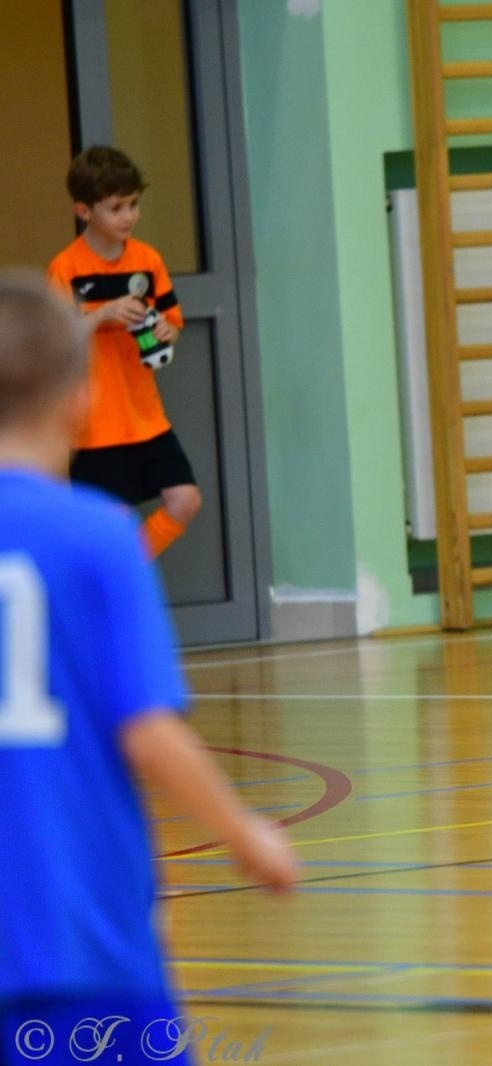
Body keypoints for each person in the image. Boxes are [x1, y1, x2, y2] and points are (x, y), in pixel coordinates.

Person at [0, 271, 299, 1061]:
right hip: (82, 927)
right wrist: (243, 834)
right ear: (79, 399)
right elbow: (146, 731)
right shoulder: (94, 536)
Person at [46, 146, 200, 559]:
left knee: (184, 500)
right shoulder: (66, 268)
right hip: (95, 424)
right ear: (84, 211)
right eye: (116, 208)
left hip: (147, 415)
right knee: (107, 524)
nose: (128, 216)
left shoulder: (148, 261)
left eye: (133, 205)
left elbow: (172, 323)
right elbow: (57, 339)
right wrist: (105, 313)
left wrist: (167, 330)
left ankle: (122, 567)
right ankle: (108, 583)